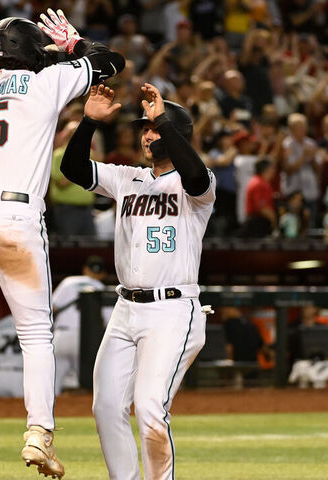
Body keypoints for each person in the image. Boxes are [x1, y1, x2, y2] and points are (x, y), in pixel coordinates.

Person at [0, 10, 124, 480]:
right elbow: (111, 63)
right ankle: (38, 434)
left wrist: (46, 54)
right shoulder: (46, 82)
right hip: (16, 217)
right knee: (36, 334)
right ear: (32, 53)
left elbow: (10, 76)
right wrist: (72, 45)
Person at [60, 82, 215, 480]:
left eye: (154, 127)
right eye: (144, 128)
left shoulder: (198, 185)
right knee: (107, 407)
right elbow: (73, 168)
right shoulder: (127, 178)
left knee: (149, 408)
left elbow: (195, 175)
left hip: (173, 310)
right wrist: (89, 123)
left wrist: (164, 119)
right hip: (126, 308)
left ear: (175, 133)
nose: (147, 134)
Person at [52, 255, 109, 395]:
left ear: (85, 269)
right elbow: (108, 321)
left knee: (53, 383)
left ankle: (49, 413)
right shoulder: (101, 287)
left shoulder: (68, 282)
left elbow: (52, 308)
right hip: (86, 340)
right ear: (102, 274)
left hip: (61, 335)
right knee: (87, 384)